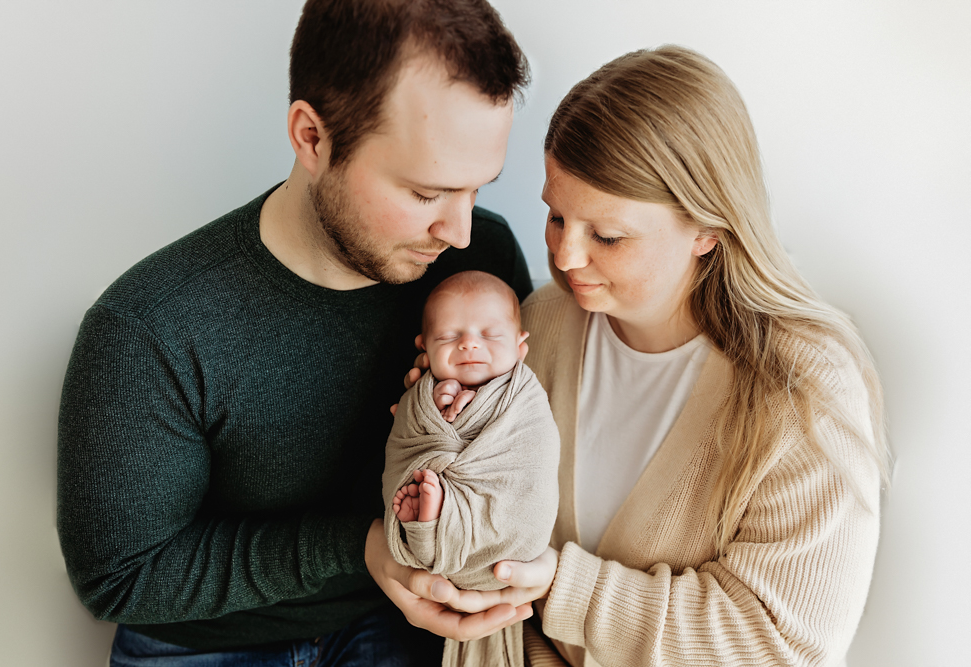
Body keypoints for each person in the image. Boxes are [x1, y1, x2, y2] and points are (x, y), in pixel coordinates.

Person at [56, 1, 536, 664]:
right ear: (312, 137)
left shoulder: (480, 270)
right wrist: (366, 548)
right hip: (209, 639)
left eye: (477, 190)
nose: (457, 231)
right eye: (427, 194)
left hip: (407, 621)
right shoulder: (150, 327)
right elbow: (120, 573)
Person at [409, 46, 890, 667]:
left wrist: (560, 586)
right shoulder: (542, 328)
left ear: (708, 230)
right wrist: (431, 424)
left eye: (607, 235)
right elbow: (475, 529)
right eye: (556, 216)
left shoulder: (804, 390)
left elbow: (779, 642)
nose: (567, 256)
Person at [383, 270, 560, 667]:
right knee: (419, 485)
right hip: (437, 504)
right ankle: (428, 522)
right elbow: (408, 442)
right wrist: (431, 404)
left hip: (505, 521)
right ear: (424, 349)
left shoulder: (522, 396)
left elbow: (533, 456)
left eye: (490, 335)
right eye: (448, 337)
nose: (469, 343)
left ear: (521, 346)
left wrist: (471, 410)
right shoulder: (425, 388)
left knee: (434, 496)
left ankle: (431, 520)